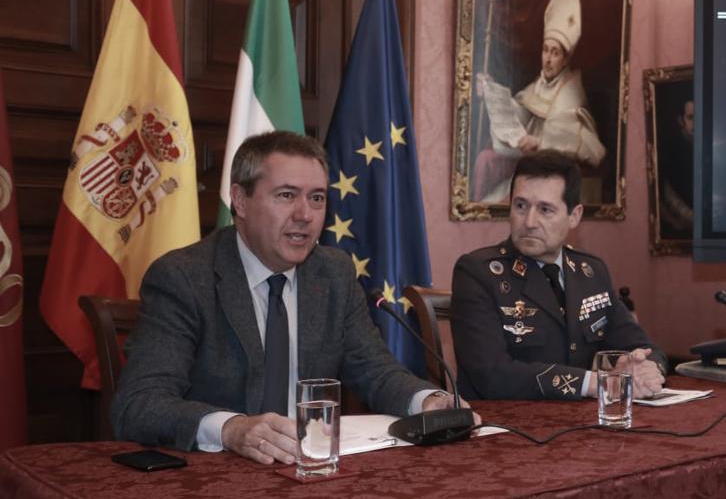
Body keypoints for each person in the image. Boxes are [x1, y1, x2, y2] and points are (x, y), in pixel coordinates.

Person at [111, 131, 475, 463]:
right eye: (286, 196)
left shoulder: (333, 273)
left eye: (316, 198)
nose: (305, 215)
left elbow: (376, 372)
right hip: (217, 473)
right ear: (240, 200)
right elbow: (139, 404)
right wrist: (231, 428)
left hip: (312, 470)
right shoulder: (184, 278)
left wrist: (427, 401)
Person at [451, 150, 666, 399]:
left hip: (579, 427)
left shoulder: (590, 272)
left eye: (545, 210)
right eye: (520, 206)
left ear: (574, 217)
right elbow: (492, 374)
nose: (529, 221)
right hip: (505, 428)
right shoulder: (478, 273)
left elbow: (642, 346)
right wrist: (592, 383)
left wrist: (648, 368)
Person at [472, 0, 607, 202]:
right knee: (486, 177)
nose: (548, 59)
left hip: (548, 176)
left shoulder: (571, 91)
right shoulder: (540, 83)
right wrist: (491, 92)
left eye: (555, 53)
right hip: (530, 166)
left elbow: (572, 134)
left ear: (565, 59)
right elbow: (522, 114)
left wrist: (540, 143)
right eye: (545, 50)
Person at [659, 99, 694, 239]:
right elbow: (667, 195)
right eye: (691, 118)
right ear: (681, 120)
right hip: (680, 229)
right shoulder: (671, 151)